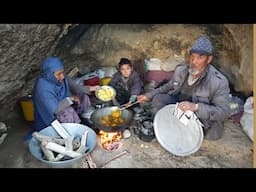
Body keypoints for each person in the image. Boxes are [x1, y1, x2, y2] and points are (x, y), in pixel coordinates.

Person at [138, 36, 230, 140]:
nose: (194, 62)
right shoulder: (181, 70)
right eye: (192, 57)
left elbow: (224, 112)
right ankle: (176, 123)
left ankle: (188, 128)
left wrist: (195, 107)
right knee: (158, 99)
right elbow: (168, 86)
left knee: (194, 134)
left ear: (209, 59)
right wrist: (148, 95)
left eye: (200, 57)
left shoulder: (218, 81)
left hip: (198, 115)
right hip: (179, 106)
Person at [24, 57, 99, 140]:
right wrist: (70, 99)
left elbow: (75, 87)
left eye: (63, 72)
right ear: (50, 74)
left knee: (83, 97)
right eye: (59, 74)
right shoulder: (43, 87)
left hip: (65, 103)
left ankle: (79, 118)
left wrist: (92, 88)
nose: (62, 76)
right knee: (68, 112)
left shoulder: (61, 77)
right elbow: (55, 109)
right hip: (51, 115)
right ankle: (73, 133)